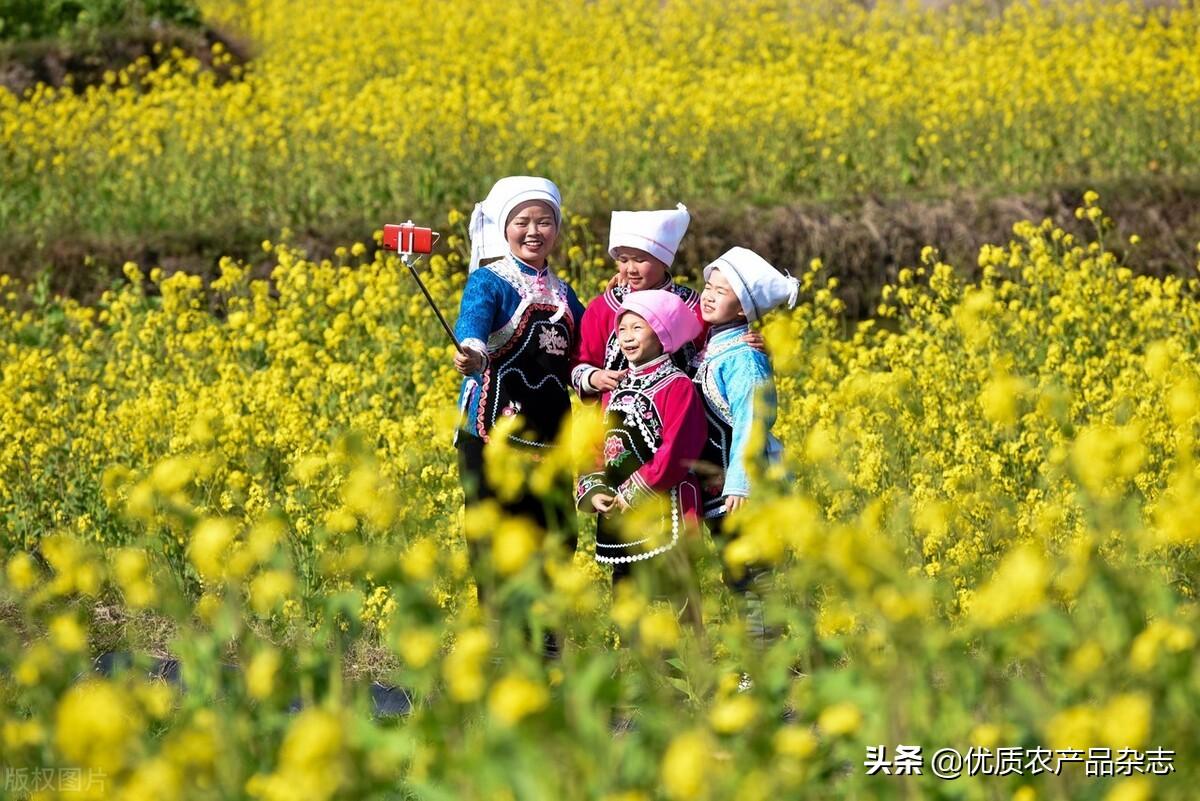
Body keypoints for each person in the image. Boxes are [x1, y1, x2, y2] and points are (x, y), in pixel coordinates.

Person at [452, 176, 586, 618]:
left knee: (554, 529)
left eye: (544, 222)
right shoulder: (490, 281)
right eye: (522, 222)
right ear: (504, 229)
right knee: (495, 531)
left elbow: (587, 348)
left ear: (557, 230)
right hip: (491, 426)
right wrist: (471, 351)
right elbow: (472, 321)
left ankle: (546, 628)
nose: (533, 232)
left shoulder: (566, 295)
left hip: (549, 430)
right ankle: (498, 631)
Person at [575, 289, 707, 613]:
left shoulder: (678, 386)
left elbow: (677, 451)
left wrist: (634, 491)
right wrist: (594, 490)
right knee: (627, 598)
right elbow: (597, 444)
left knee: (675, 602)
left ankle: (691, 663)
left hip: (665, 512)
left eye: (638, 328)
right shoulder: (616, 387)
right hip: (618, 514)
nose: (627, 337)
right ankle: (635, 664)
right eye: (622, 329)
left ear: (661, 333)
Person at [693, 247, 797, 653]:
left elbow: (753, 424)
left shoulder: (745, 357)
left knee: (753, 572)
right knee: (738, 570)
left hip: (744, 487)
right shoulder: (715, 346)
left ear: (744, 311)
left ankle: (764, 661)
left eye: (722, 290)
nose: (709, 295)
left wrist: (740, 483)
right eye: (708, 286)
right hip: (723, 487)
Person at [572, 203, 766, 406]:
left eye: (640, 260)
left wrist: (753, 347)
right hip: (614, 428)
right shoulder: (604, 308)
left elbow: (721, 353)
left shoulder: (694, 307)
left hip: (683, 419)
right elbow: (580, 362)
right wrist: (593, 378)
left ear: (664, 260)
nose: (630, 269)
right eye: (623, 260)